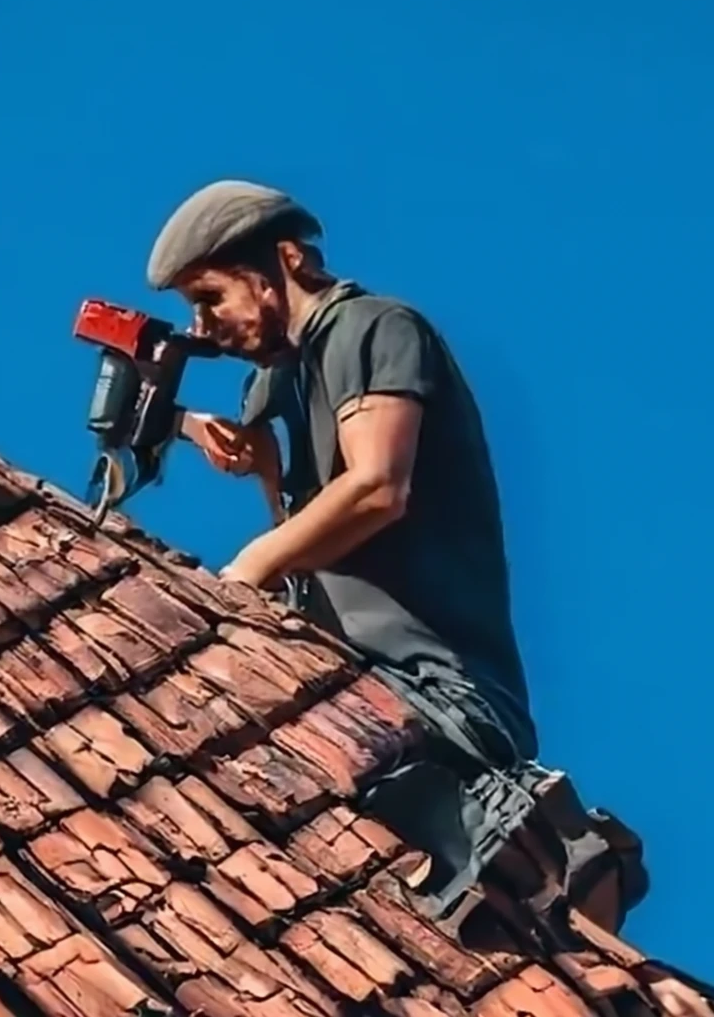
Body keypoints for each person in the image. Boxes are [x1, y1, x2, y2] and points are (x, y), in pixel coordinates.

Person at [147, 178, 540, 899]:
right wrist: (265, 463)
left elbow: (376, 489)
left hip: (438, 697)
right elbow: (310, 564)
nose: (202, 328)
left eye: (210, 298)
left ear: (286, 261)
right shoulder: (278, 385)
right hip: (356, 685)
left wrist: (249, 566)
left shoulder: (372, 328)